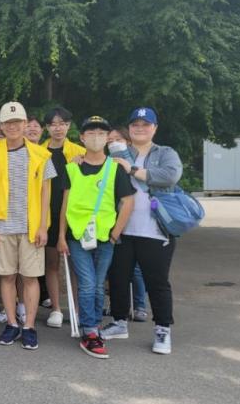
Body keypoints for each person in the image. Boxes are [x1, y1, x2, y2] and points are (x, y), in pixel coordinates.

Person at [104, 107, 182, 355]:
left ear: (154, 128)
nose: (140, 128)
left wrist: (133, 170)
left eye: (145, 124)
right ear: (129, 129)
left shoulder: (165, 153)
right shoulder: (121, 151)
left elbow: (170, 176)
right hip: (124, 229)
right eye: (135, 124)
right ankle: (118, 322)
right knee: (117, 278)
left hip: (156, 230)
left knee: (156, 282)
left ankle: (162, 329)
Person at [57, 116, 135, 359]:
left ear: (107, 138)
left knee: (99, 285)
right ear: (82, 138)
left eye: (101, 133)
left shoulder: (115, 168)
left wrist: (115, 233)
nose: (96, 137)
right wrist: (60, 236)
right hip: (77, 236)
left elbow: (128, 201)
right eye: (91, 133)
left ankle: (95, 325)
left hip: (104, 238)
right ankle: (89, 331)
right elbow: (64, 204)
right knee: (88, 283)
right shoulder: (72, 167)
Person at [0, 101, 56, 350]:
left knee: (30, 277)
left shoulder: (41, 154)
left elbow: (47, 192)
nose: (13, 126)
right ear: (2, 126)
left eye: (18, 122)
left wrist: (43, 226)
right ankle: (12, 323)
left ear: (25, 124)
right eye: (8, 122)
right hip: (3, 226)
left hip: (31, 227)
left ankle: (29, 326)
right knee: (6, 276)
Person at [40, 106, 86, 328]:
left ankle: (78, 309)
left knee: (76, 264)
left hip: (73, 214)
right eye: (53, 124)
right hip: (47, 213)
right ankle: (56, 309)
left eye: (62, 123)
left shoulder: (79, 152)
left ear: (68, 125)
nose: (58, 128)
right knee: (51, 263)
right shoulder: (38, 151)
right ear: (47, 127)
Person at [108, 127, 147, 321]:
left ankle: (140, 305)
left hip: (137, 219)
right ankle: (118, 308)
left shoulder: (134, 161)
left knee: (136, 268)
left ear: (127, 141)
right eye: (110, 140)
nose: (114, 143)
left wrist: (126, 164)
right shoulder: (107, 162)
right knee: (117, 267)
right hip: (116, 218)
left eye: (118, 139)